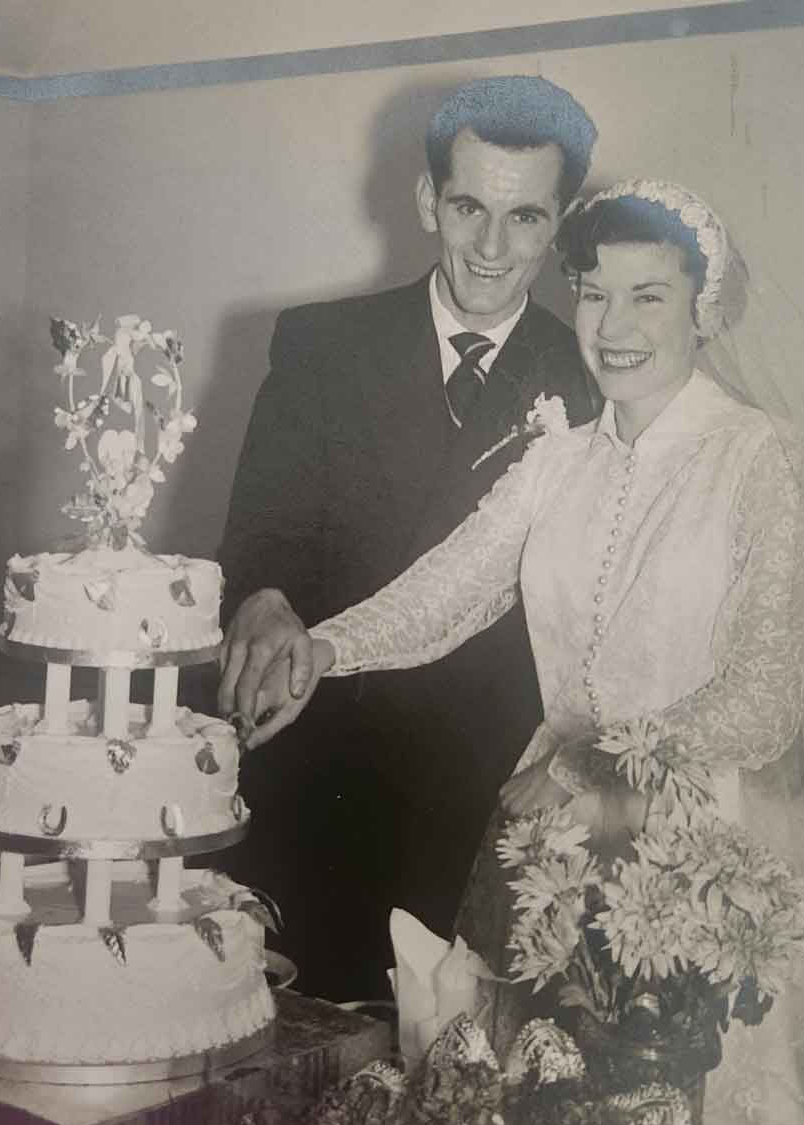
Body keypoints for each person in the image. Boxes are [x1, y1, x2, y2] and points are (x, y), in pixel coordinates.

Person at [224, 179, 804, 1125]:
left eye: (649, 295)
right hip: (550, 845)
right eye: (593, 293)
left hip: (703, 853)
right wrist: (325, 649)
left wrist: (586, 765)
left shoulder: (756, 456)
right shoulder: (560, 457)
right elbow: (448, 589)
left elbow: (765, 697)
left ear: (702, 309)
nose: (614, 326)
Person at [214, 76, 599, 999]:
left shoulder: (590, 377)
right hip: (316, 764)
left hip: (477, 788)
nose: (492, 249)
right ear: (429, 200)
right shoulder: (320, 342)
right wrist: (264, 597)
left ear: (559, 224)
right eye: (469, 208)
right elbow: (263, 528)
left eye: (525, 217)